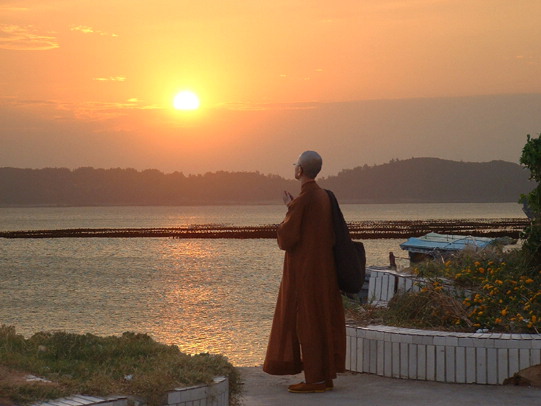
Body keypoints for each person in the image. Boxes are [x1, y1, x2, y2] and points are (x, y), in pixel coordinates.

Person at [262, 150, 346, 393]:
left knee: (307, 321)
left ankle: (315, 380)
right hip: (324, 269)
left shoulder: (305, 198)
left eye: (296, 165)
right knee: (320, 319)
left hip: (306, 271)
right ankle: (323, 375)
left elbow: (286, 239)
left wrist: (289, 209)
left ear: (299, 170)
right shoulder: (322, 196)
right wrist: (293, 207)